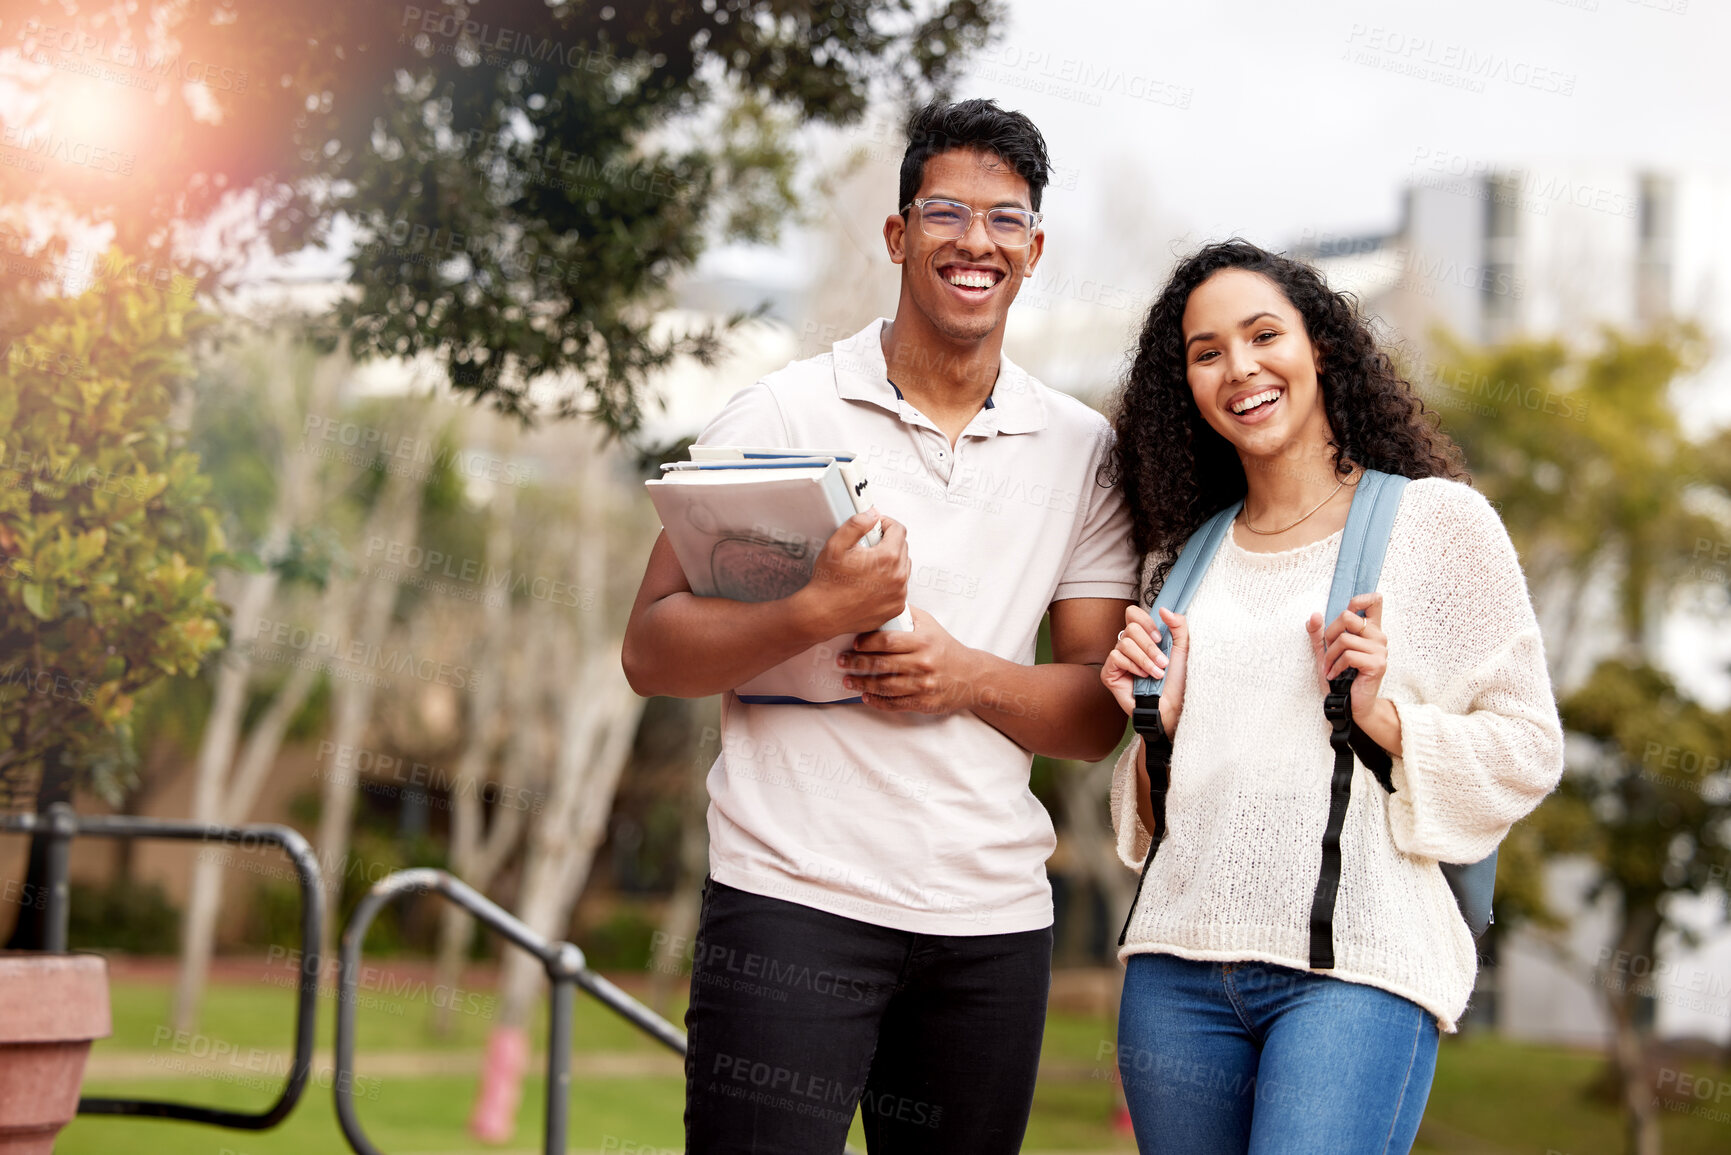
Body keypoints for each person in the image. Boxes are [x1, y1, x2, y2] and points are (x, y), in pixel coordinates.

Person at [622, 99, 1139, 1154]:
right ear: (900, 235)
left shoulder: (1082, 450)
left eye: (1004, 221)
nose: (974, 241)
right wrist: (815, 612)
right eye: (945, 212)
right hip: (790, 905)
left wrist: (965, 679)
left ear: (1034, 251)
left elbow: (1096, 716)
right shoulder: (782, 415)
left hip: (990, 928)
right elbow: (652, 647)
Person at [1098, 240, 1565, 1155]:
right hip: (1173, 976)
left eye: (1263, 333)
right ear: (1184, 386)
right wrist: (1157, 726)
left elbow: (1526, 746)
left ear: (1320, 347)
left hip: (1351, 972)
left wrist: (1384, 718)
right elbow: (1156, 825)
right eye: (1205, 352)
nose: (1240, 368)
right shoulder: (1179, 561)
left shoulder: (1435, 525)